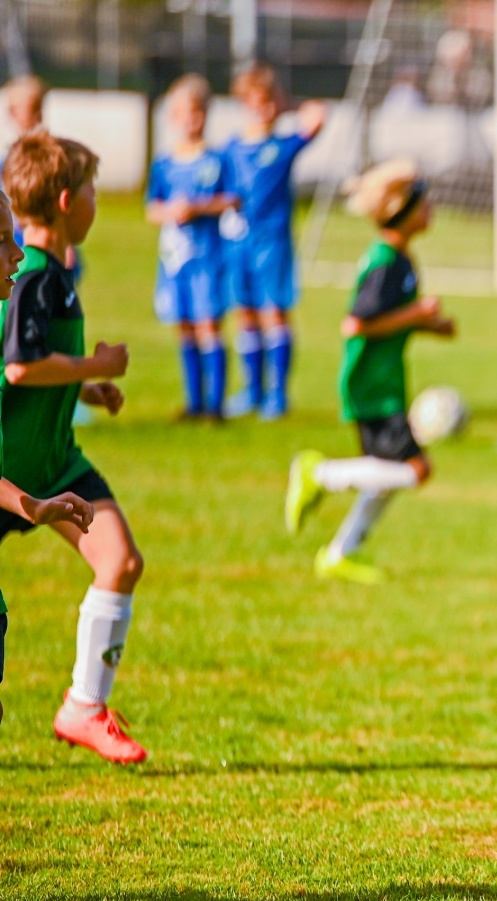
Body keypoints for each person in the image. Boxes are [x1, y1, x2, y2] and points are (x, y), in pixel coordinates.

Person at [0, 131, 145, 763]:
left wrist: (87, 389)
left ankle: (83, 706)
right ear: (66, 200)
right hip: (11, 471)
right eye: (91, 189)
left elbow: (39, 371)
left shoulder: (56, 275)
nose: (96, 199)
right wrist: (97, 362)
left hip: (54, 457)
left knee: (121, 561)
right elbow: (21, 370)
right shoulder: (31, 274)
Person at [283, 162, 456, 583]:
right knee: (416, 470)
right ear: (404, 210)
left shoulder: (400, 258)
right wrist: (416, 313)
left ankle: (341, 553)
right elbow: (357, 323)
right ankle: (317, 473)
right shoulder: (385, 263)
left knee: (385, 474)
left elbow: (385, 317)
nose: (431, 208)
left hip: (385, 384)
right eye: (423, 202)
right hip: (372, 387)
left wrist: (427, 325)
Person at [0, 185, 96, 725]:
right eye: (2, 241)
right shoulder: (37, 279)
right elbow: (24, 369)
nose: (18, 252)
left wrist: (33, 506)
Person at [221, 63, 326, 420]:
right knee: (245, 316)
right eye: (256, 101)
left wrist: (288, 106)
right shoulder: (231, 149)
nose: (263, 107)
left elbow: (317, 116)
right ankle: (251, 390)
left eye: (269, 100)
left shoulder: (284, 145)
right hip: (237, 244)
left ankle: (277, 394)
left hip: (273, 243)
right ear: (243, 103)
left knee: (274, 313)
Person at [146, 75, 236, 421]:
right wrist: (170, 211)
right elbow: (151, 207)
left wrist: (198, 207)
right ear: (172, 117)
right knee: (183, 324)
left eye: (196, 112)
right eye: (182, 113)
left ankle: (216, 405)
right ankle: (193, 402)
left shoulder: (216, 159)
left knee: (207, 324)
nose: (190, 120)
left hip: (207, 257)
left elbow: (234, 199)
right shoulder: (164, 164)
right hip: (175, 261)